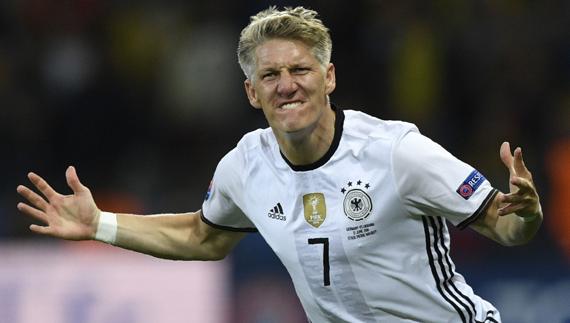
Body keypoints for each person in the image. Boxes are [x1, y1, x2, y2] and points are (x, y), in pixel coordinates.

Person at [17, 6, 542, 323]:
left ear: (330, 76)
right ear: (251, 92)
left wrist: (527, 215)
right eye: (270, 75)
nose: (286, 84)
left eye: (300, 69)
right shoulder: (245, 166)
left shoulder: (397, 152)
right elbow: (203, 237)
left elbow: (505, 228)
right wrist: (100, 225)